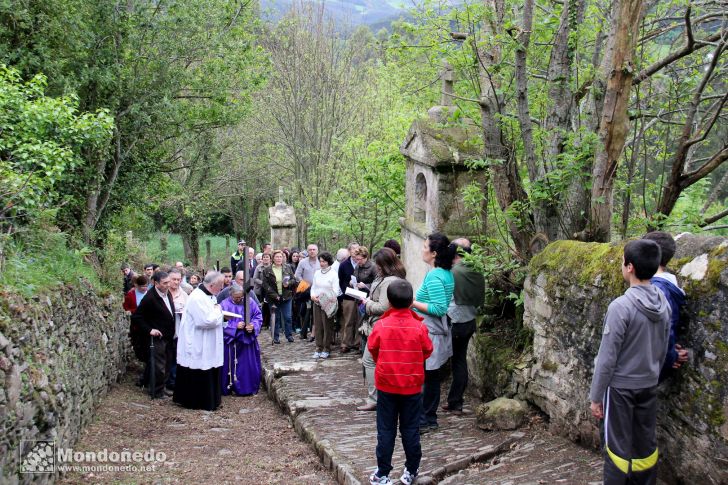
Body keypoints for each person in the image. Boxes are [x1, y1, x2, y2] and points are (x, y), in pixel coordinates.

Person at [589, 239, 670, 485]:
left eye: (623, 261)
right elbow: (663, 347)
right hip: (648, 384)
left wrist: (596, 396)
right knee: (645, 446)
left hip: (621, 389)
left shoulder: (621, 307)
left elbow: (607, 357)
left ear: (630, 267)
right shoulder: (663, 303)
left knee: (616, 448)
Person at [367, 279, 433, 485]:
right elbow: (427, 350)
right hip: (412, 386)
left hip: (386, 385)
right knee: (410, 429)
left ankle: (382, 473)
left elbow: (373, 349)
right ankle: (411, 470)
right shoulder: (419, 327)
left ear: (389, 301)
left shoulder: (381, 325)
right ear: (411, 300)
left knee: (386, 429)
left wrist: (385, 363)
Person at [411, 233, 455, 433]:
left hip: (430, 333)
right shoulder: (444, 273)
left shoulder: (436, 275)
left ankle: (424, 419)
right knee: (431, 377)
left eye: (425, 246)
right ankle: (428, 418)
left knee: (425, 378)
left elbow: (438, 308)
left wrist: (410, 302)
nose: (422, 249)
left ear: (434, 253)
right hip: (433, 332)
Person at [357, 248, 406, 412]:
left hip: (380, 325)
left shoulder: (389, 281)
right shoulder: (389, 278)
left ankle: (375, 398)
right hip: (381, 325)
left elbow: (384, 307)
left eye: (378, 264)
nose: (376, 267)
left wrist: (367, 303)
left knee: (369, 360)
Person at [443, 238, 485, 415]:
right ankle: (456, 402)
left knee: (438, 362)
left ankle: (430, 405)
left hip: (455, 321)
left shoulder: (454, 272)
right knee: (460, 361)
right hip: (470, 320)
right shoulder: (476, 269)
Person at [174, 271, 226, 411]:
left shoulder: (209, 296)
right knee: (199, 368)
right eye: (220, 285)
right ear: (212, 285)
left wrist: (218, 311)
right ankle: (198, 402)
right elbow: (204, 321)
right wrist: (219, 310)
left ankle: (211, 400)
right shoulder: (197, 297)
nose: (221, 289)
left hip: (207, 340)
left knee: (209, 367)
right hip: (197, 340)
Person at [642, 231, 689, 381]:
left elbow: (664, 327)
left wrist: (670, 356)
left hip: (647, 367)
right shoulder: (664, 285)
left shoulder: (658, 289)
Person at [131, 271, 176, 398]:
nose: (168, 285)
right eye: (165, 283)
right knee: (158, 365)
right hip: (157, 337)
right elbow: (136, 317)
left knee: (167, 362)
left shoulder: (168, 294)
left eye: (169, 282)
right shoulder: (149, 298)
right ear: (156, 283)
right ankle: (156, 391)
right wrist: (150, 330)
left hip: (168, 335)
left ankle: (163, 387)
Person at [220, 285, 263, 395]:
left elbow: (258, 316)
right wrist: (235, 326)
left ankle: (246, 387)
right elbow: (220, 322)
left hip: (247, 340)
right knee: (229, 366)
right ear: (231, 295)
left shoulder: (250, 302)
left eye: (241, 297)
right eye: (236, 298)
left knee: (246, 367)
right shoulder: (224, 304)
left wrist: (253, 325)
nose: (239, 299)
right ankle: (228, 387)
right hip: (231, 341)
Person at [262, 250, 297, 344]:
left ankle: (289, 335)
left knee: (288, 317)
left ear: (283, 258)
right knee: (275, 318)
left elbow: (294, 280)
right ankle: (275, 337)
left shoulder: (287, 268)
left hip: (286, 296)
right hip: (273, 298)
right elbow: (265, 285)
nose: (278, 259)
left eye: (280, 257)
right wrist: (274, 295)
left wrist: (288, 283)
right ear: (273, 258)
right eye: (276, 257)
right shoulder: (267, 270)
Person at [311, 251, 339, 359]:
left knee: (327, 326)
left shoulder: (333, 274)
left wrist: (326, 299)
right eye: (320, 261)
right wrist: (313, 296)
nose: (321, 263)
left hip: (328, 304)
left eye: (324, 261)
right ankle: (318, 347)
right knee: (318, 326)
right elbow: (314, 287)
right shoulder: (317, 273)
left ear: (328, 262)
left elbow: (336, 291)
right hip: (316, 302)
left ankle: (326, 348)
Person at [167, 268, 189, 391]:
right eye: (174, 279)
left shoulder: (184, 295)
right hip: (165, 331)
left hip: (179, 331)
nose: (176, 282)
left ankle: (174, 382)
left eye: (178, 280)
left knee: (176, 357)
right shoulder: (163, 294)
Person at [295, 244, 321, 340]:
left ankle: (313, 333)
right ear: (307, 251)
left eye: (314, 249)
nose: (312, 251)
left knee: (315, 312)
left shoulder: (321, 262)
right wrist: (304, 283)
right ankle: (304, 331)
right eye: (310, 249)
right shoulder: (302, 262)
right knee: (305, 312)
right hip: (306, 291)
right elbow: (297, 275)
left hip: (318, 291)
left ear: (317, 251)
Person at [338, 242, 360, 352]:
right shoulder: (343, 265)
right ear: (349, 251)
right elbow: (341, 281)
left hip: (361, 296)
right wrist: (347, 289)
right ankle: (345, 343)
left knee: (359, 320)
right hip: (348, 296)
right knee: (348, 321)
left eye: (357, 249)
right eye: (353, 249)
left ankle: (357, 343)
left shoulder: (363, 263)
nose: (356, 251)